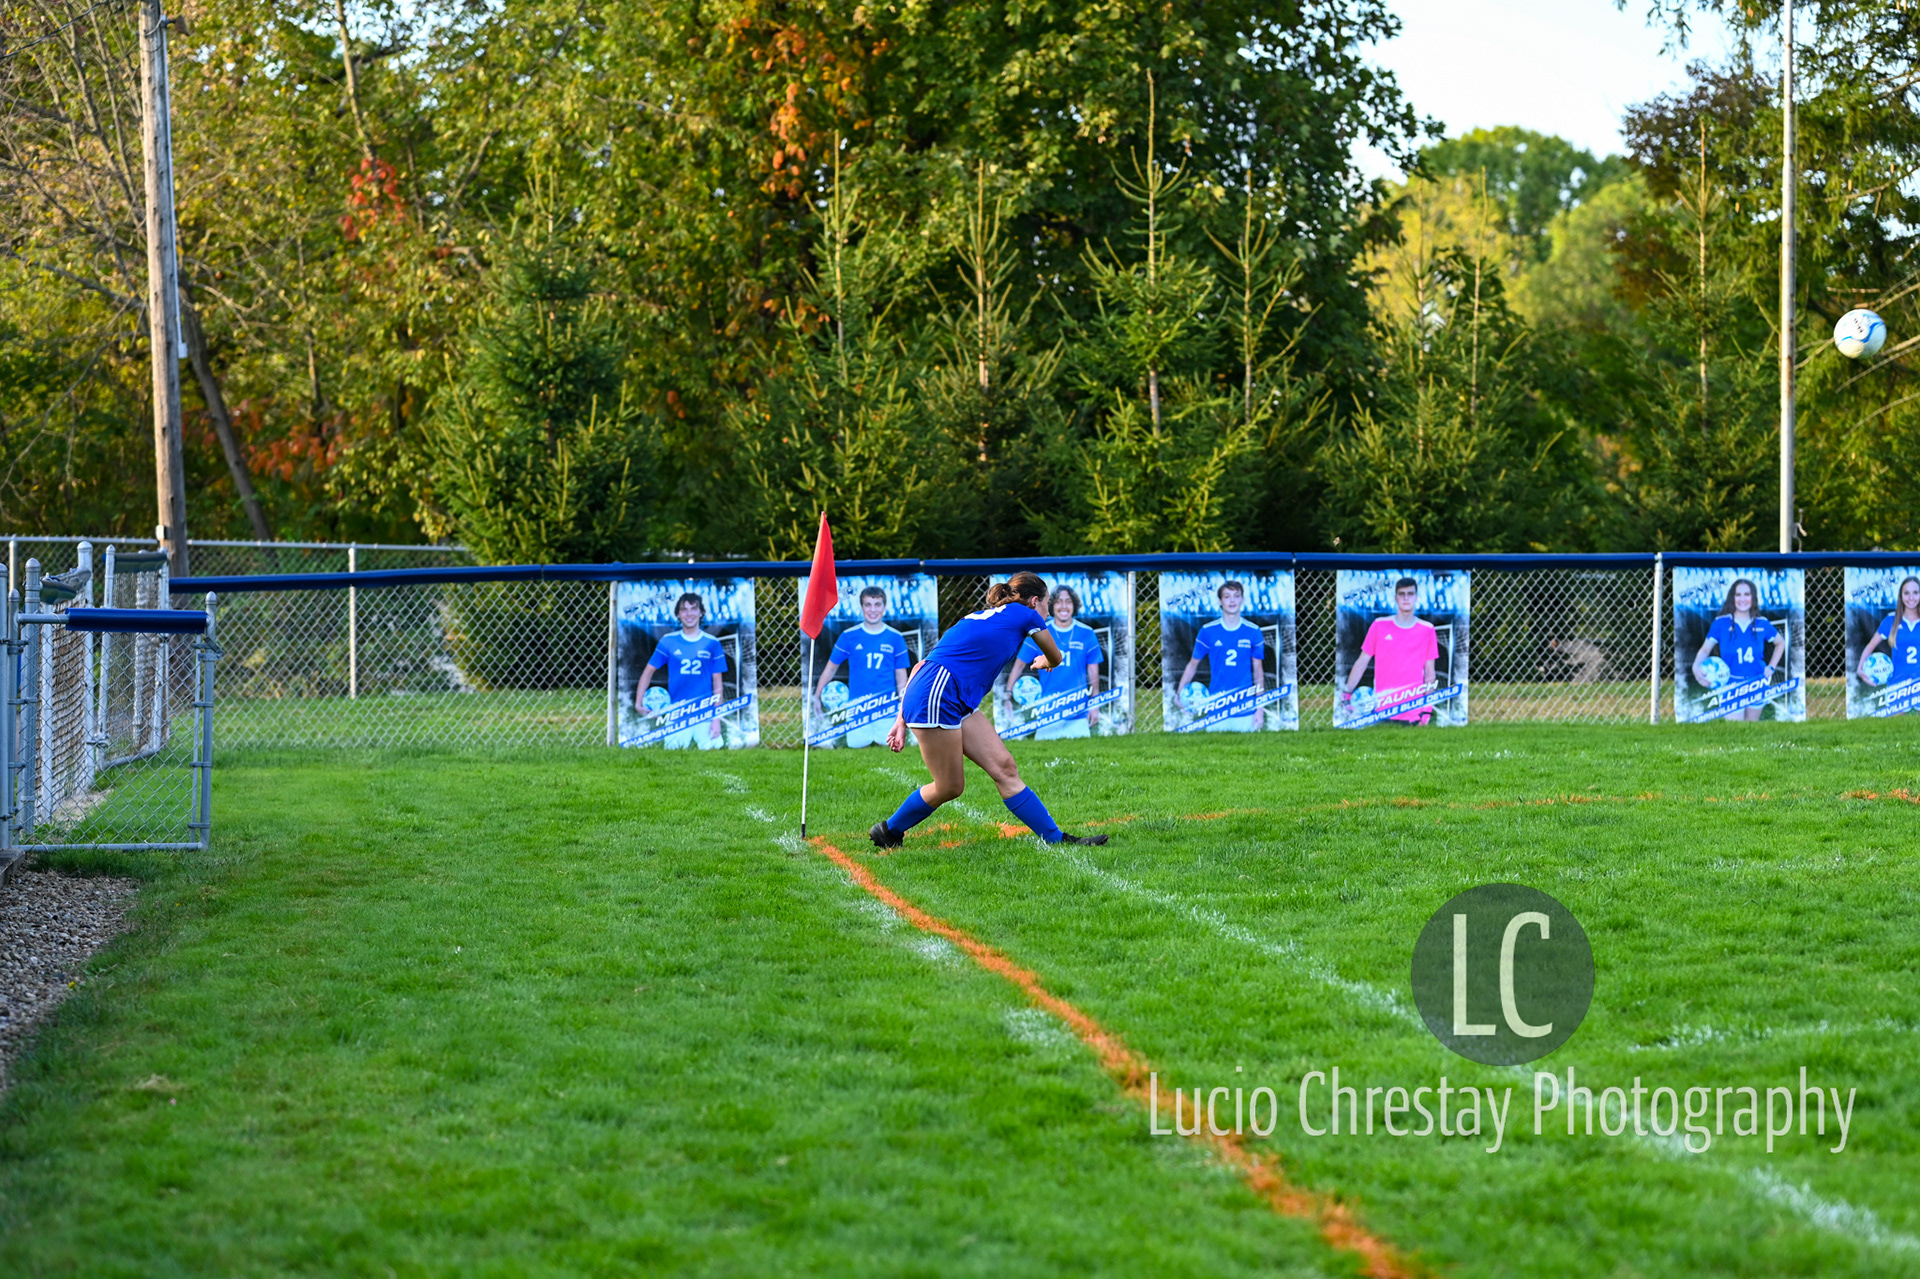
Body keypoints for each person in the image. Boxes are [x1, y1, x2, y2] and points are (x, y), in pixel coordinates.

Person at [870, 572, 1108, 849]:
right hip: (939, 694)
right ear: (1035, 602)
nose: (1048, 610)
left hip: (948, 694)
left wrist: (900, 720)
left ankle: (1056, 839)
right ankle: (889, 830)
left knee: (1005, 768)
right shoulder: (1026, 614)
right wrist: (1045, 661)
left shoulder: (980, 617)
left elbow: (921, 666)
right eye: (1047, 603)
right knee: (950, 786)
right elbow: (1056, 656)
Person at [813, 586, 912, 747]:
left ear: (884, 607)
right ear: (861, 607)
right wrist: (817, 696)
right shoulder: (848, 636)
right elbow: (830, 668)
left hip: (887, 709)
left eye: (877, 604)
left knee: (890, 749)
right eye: (868, 604)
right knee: (855, 748)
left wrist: (902, 706)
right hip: (857, 710)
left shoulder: (895, 637)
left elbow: (901, 677)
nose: (873, 609)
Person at [1004, 585, 1104, 739]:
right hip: (1047, 713)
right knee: (1043, 753)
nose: (1063, 606)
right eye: (1058, 601)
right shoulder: (1039, 631)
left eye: (1068, 601)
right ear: (1052, 605)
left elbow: (1093, 671)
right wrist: (1008, 695)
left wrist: (1094, 703)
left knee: (1082, 753)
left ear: (1074, 605)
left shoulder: (1087, 633)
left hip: (1078, 712)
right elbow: (1018, 666)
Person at [1340, 577, 1439, 725]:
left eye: (1410, 594)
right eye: (1402, 594)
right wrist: (1347, 692)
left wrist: (1427, 709)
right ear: (1395, 598)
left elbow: (1430, 672)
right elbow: (1362, 662)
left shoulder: (1427, 629)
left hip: (1413, 711)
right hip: (1382, 710)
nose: (1406, 598)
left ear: (1416, 597)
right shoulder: (1379, 625)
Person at [635, 592, 727, 748]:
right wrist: (638, 703)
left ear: (701, 612)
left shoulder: (712, 643)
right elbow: (648, 672)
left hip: (705, 712)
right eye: (684, 609)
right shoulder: (668, 641)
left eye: (694, 609)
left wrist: (716, 718)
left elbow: (718, 683)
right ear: (678, 614)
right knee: (673, 756)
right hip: (677, 713)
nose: (689, 614)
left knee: (715, 754)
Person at [1692, 577, 1786, 722]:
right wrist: (1695, 667)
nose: (1742, 599)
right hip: (1731, 684)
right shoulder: (1721, 623)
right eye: (1738, 595)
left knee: (1750, 729)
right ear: (1733, 598)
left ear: (1753, 598)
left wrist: (1771, 667)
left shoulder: (1762, 623)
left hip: (1757, 682)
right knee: (1735, 730)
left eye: (1747, 594)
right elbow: (1705, 650)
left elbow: (1780, 643)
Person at [1176, 580, 1265, 731]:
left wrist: (1260, 708)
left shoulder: (1253, 631)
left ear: (1242, 599)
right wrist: (1180, 693)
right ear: (1220, 601)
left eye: (1236, 596)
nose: (1232, 600)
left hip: (1245, 708)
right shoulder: (1208, 631)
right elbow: (1192, 665)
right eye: (1227, 596)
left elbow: (1258, 671)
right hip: (1217, 708)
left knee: (1248, 746)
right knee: (1215, 746)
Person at [1857, 575, 1920, 689]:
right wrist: (1860, 668)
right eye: (1906, 593)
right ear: (1901, 595)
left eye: (1915, 592)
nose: (1911, 597)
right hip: (1897, 686)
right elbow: (1871, 646)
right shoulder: (1891, 620)